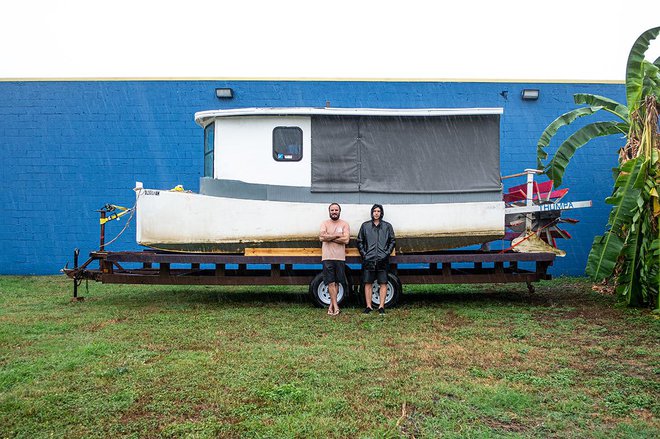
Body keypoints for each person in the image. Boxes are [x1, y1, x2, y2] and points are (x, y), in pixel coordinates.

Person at [357, 204, 396, 315]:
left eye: (378, 211)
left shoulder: (387, 226)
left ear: (381, 213)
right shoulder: (365, 226)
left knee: (383, 282)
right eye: (374, 211)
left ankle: (381, 306)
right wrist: (365, 255)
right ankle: (368, 306)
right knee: (368, 282)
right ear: (372, 212)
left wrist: (386, 253)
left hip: (382, 259)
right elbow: (359, 241)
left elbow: (392, 241)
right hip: (368, 260)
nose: (376, 213)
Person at [319, 203, 350, 316]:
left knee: (337, 282)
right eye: (332, 210)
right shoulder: (325, 223)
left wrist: (329, 237)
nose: (334, 212)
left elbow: (346, 240)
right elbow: (322, 237)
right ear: (329, 211)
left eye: (336, 210)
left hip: (340, 257)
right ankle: (336, 307)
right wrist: (337, 235)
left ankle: (331, 306)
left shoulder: (344, 224)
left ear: (339, 211)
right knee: (330, 282)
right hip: (327, 257)